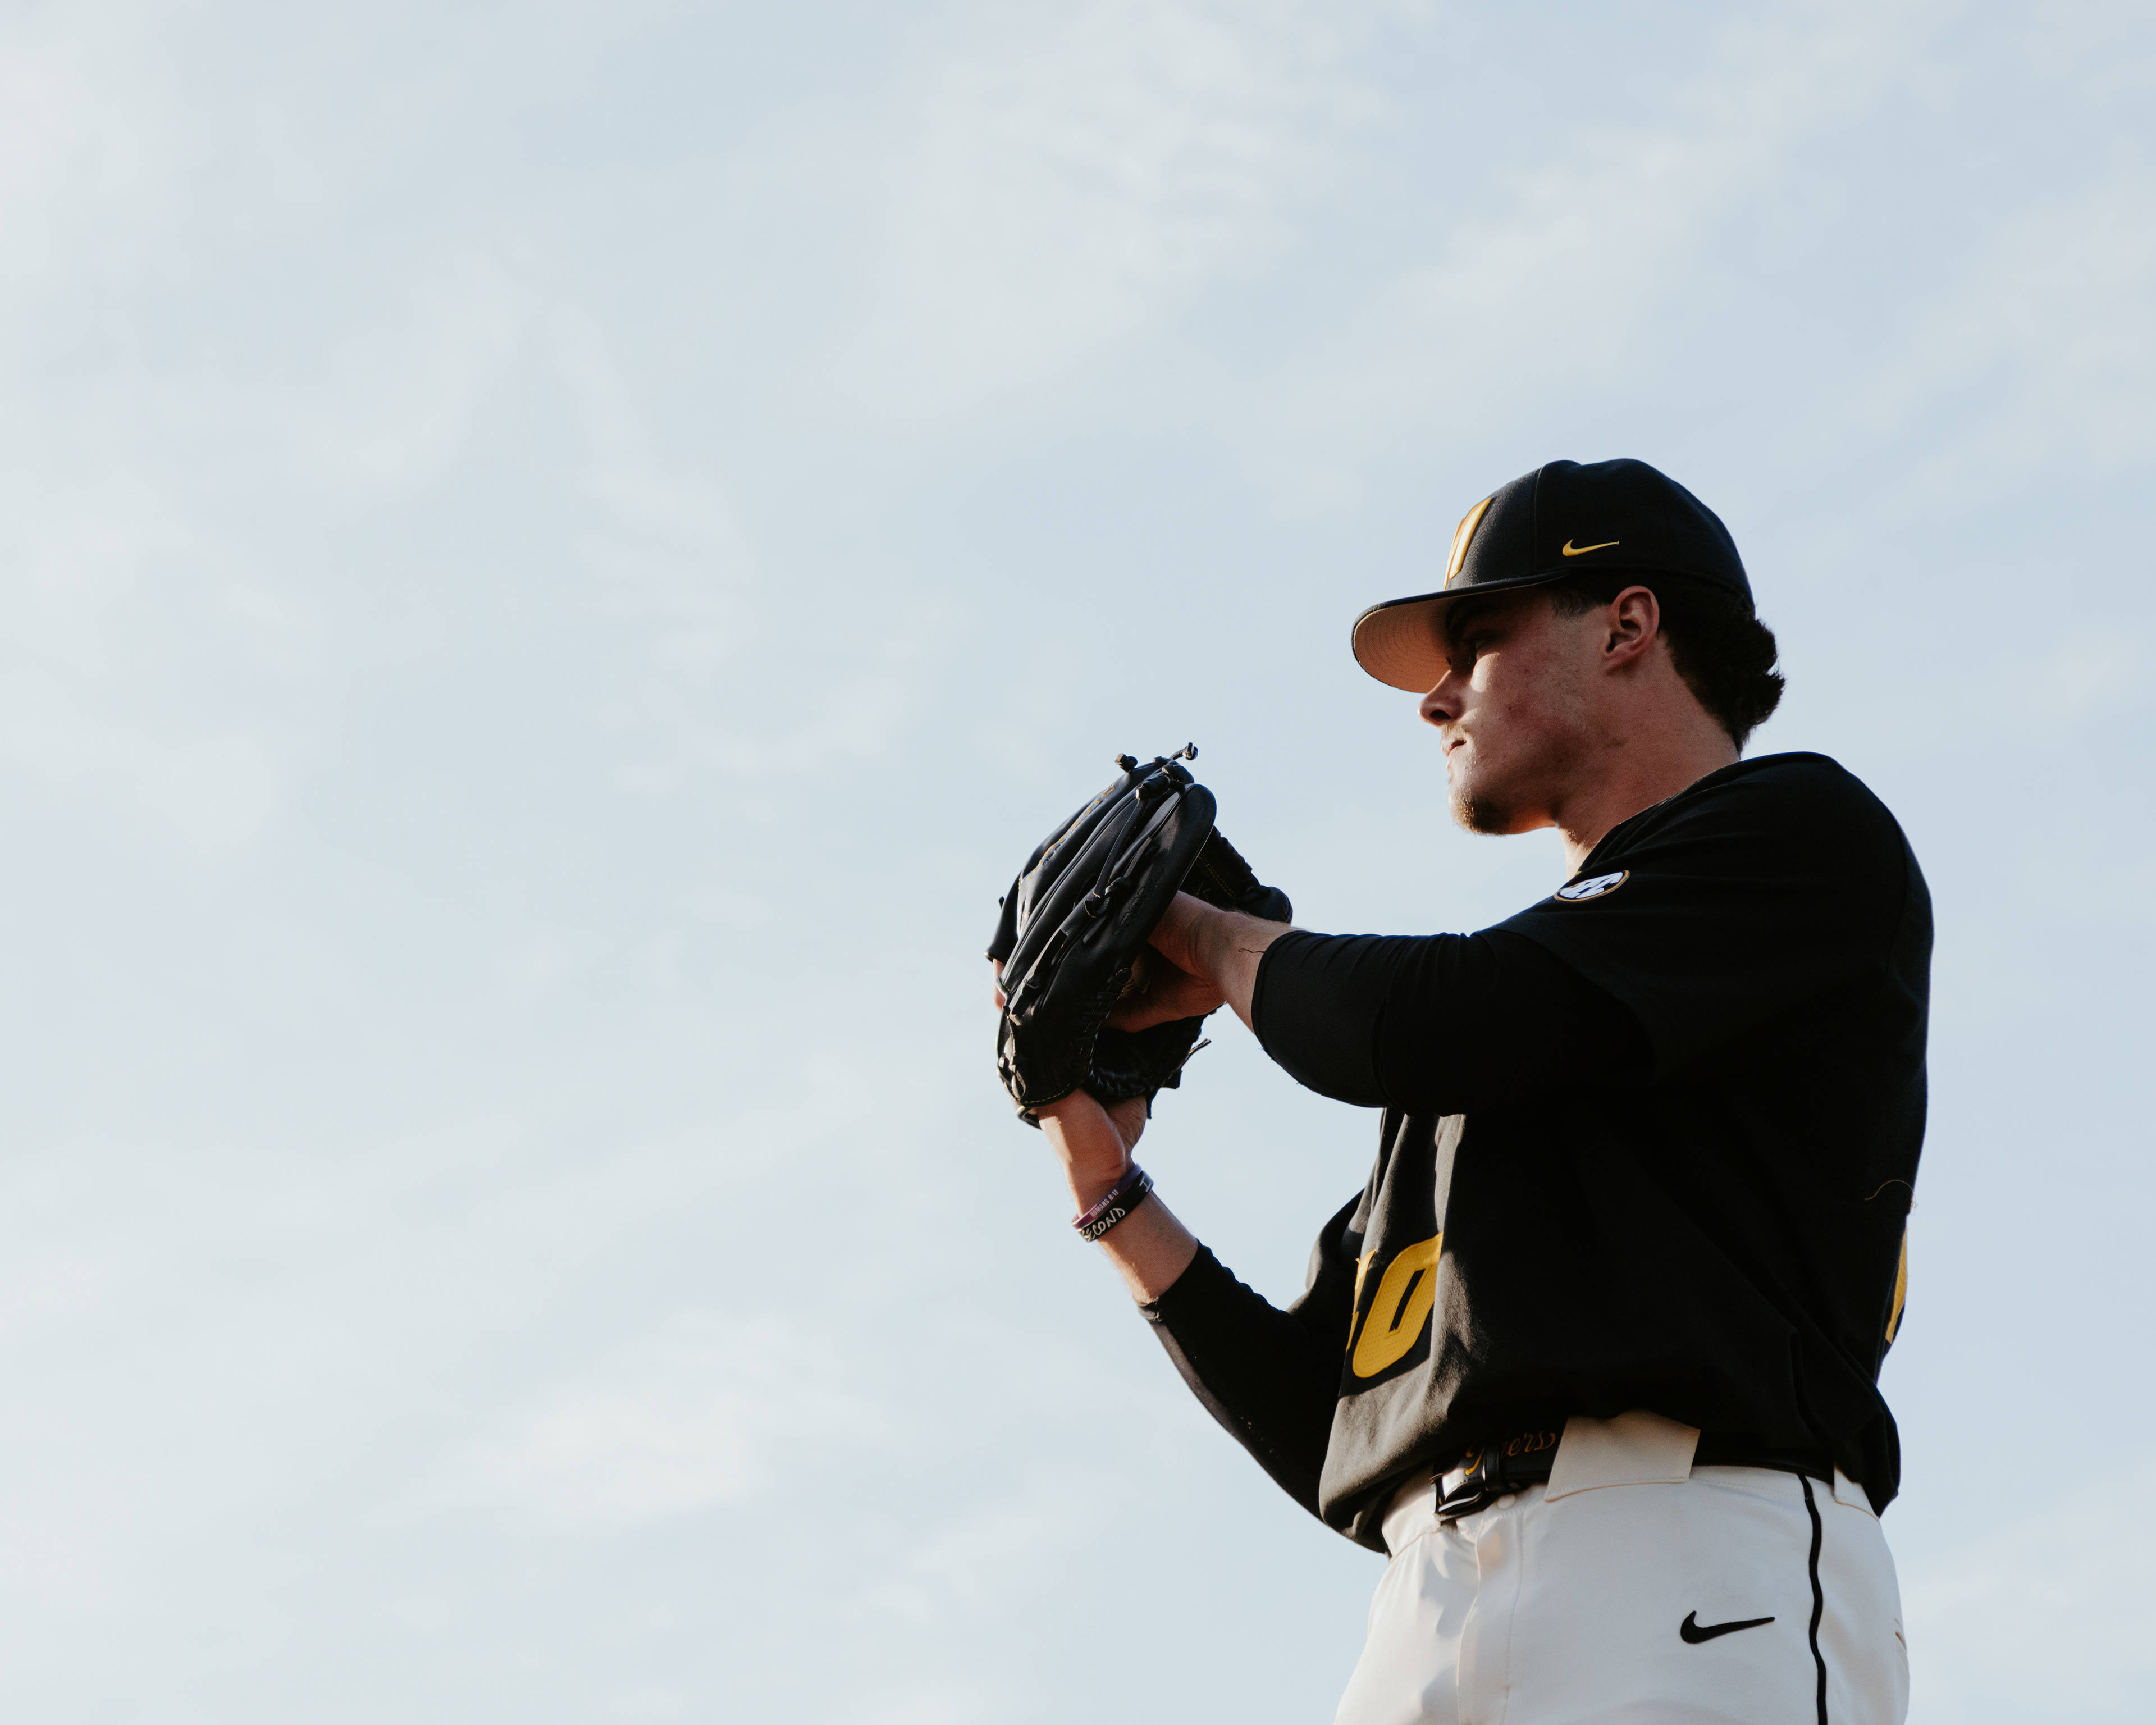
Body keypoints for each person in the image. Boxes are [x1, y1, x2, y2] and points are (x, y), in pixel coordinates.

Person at [1025, 459, 1928, 1724]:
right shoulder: (1502, 1031)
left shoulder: (1799, 836)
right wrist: (1110, 1190)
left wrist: (1209, 939)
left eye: (1478, 638)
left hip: (1688, 1562)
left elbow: (1421, 1019)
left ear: (1627, 625)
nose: (1436, 696)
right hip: (1427, 1602)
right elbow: (1332, 1417)